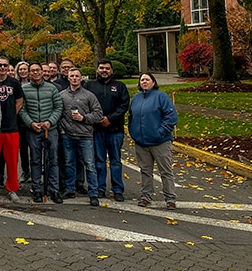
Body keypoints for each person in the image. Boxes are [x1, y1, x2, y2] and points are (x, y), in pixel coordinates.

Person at [129, 73, 179, 210]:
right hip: (141, 143)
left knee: (165, 170)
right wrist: (133, 132)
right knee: (145, 170)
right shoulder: (136, 99)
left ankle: (170, 198)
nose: (144, 82)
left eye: (147, 79)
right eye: (142, 80)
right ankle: (146, 196)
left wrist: (160, 133)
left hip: (160, 142)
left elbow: (171, 116)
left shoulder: (161, 96)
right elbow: (131, 117)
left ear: (153, 82)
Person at [85, 59, 130, 202]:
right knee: (99, 160)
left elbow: (124, 106)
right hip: (97, 130)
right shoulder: (89, 86)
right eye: (102, 68)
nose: (104, 71)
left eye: (107, 68)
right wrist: (97, 119)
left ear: (112, 70)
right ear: (97, 69)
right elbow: (86, 105)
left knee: (115, 161)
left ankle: (117, 189)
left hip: (115, 130)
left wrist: (110, 119)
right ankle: (100, 188)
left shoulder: (120, 86)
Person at [19, 62, 63, 203]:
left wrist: (50, 121)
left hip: (50, 129)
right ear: (29, 73)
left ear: (42, 72)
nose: (36, 73)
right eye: (33, 71)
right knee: (36, 160)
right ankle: (37, 189)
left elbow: (58, 107)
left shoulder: (52, 88)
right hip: (33, 129)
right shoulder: (24, 89)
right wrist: (30, 123)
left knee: (52, 160)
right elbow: (22, 109)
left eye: (38, 70)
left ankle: (54, 189)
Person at [59, 67, 103, 206]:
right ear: (68, 78)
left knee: (89, 165)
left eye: (77, 76)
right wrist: (61, 129)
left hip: (85, 135)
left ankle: (93, 193)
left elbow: (98, 114)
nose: (74, 78)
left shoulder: (89, 96)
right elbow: (58, 113)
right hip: (68, 135)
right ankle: (69, 189)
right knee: (69, 164)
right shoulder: (62, 95)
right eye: (72, 76)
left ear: (81, 78)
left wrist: (83, 118)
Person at [0, 56, 24, 203]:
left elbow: (19, 101)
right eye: (0, 65)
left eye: (5, 65)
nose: (2, 68)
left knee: (12, 160)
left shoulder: (14, 83)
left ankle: (12, 188)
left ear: (9, 67)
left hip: (11, 128)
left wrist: (11, 115)